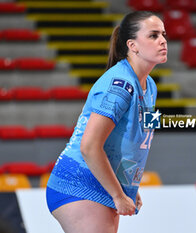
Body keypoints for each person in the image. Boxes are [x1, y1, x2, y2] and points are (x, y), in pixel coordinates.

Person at [45, 11, 167, 233]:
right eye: (153, 35)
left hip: (100, 183)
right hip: (80, 185)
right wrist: (118, 194)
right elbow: (89, 146)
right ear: (133, 45)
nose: (163, 40)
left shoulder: (150, 85)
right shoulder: (120, 85)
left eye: (163, 34)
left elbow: (129, 140)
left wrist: (126, 184)